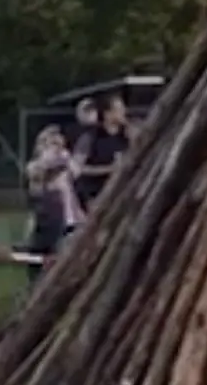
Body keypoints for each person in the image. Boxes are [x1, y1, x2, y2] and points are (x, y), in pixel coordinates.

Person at [25, 126, 83, 283]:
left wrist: (65, 157)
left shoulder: (64, 161)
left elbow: (76, 171)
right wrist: (49, 158)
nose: (55, 147)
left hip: (70, 218)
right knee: (42, 258)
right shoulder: (34, 166)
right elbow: (37, 181)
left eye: (57, 143)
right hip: (47, 220)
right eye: (50, 143)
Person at [74, 94, 130, 211]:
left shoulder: (126, 137)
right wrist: (109, 169)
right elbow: (78, 168)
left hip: (121, 193)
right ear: (107, 114)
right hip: (95, 192)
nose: (123, 113)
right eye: (118, 110)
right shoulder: (91, 138)